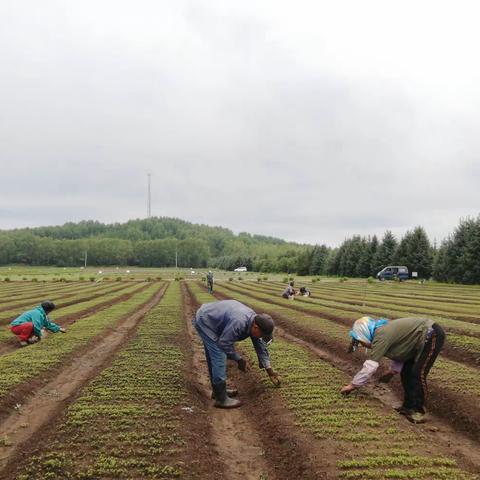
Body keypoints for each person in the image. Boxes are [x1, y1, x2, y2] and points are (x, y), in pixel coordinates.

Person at [340, 316, 445, 424]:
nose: (362, 344)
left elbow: (370, 366)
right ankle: (408, 407)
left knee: (418, 373)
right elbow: (401, 350)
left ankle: (419, 411)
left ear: (365, 334)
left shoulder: (380, 336)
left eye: (361, 341)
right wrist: (393, 370)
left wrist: (353, 385)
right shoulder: (381, 332)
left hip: (431, 334)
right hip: (417, 341)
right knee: (406, 372)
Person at [193, 299, 280, 408]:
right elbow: (224, 344)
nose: (261, 338)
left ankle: (218, 391)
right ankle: (221, 399)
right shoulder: (239, 322)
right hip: (205, 320)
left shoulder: (255, 321)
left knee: (215, 355)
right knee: (219, 355)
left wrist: (270, 371)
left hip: (214, 319)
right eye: (261, 335)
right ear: (255, 327)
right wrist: (239, 359)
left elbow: (260, 347)